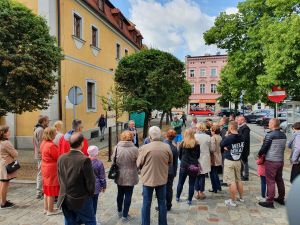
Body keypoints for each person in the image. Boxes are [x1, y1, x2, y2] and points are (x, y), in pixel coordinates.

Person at [57, 133, 96, 225]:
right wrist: (90, 194)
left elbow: (60, 178)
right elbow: (90, 182)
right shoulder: (85, 160)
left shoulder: (61, 158)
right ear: (82, 144)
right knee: (90, 221)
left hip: (65, 197)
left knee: (70, 221)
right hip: (81, 198)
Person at [137, 126, 172, 225]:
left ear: (150, 136)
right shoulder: (167, 147)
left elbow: (138, 164)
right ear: (160, 135)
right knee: (162, 203)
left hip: (148, 180)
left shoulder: (144, 148)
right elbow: (170, 161)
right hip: (162, 179)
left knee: (146, 203)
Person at [258, 118, 287, 208]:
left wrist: (259, 154)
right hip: (280, 161)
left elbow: (265, 147)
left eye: (270, 123)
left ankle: (269, 201)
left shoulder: (270, 135)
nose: (268, 124)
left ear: (273, 124)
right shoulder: (283, 135)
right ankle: (281, 198)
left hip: (271, 161)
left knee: (270, 181)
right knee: (279, 179)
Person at [114, 131, 139, 221]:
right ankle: (125, 215)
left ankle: (119, 211)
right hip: (131, 175)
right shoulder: (135, 149)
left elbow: (114, 160)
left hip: (119, 174)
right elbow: (138, 163)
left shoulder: (117, 148)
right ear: (131, 138)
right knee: (128, 195)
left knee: (120, 193)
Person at [221, 121, 245, 207]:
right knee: (238, 179)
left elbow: (221, 144)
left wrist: (226, 136)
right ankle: (241, 198)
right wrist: (229, 147)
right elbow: (235, 145)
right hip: (238, 161)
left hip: (229, 161)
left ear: (231, 127)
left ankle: (232, 201)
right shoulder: (242, 137)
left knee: (232, 182)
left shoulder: (229, 137)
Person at [176, 129, 200, 205]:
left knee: (180, 182)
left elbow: (179, 156)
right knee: (192, 184)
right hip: (193, 166)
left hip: (184, 165)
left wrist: (183, 160)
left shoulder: (182, 144)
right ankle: (189, 200)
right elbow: (198, 156)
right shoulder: (196, 144)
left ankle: (177, 197)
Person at [40, 127, 61, 216]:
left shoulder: (43, 143)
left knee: (46, 188)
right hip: (51, 168)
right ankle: (50, 210)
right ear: (51, 134)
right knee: (51, 189)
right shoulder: (51, 145)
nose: (56, 135)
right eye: (55, 133)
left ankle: (46, 208)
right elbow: (57, 157)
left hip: (45, 166)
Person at [0, 125, 18, 209]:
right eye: (8, 131)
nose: (9, 132)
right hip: (5, 165)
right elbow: (15, 154)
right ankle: (3, 203)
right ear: (4, 133)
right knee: (5, 183)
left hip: (1, 164)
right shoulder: (6, 143)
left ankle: (2, 200)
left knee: (2, 183)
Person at [87, 145, 106, 219]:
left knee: (87, 203)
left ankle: (87, 218)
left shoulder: (84, 161)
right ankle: (93, 218)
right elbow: (102, 177)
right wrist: (104, 186)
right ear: (97, 153)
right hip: (96, 187)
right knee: (94, 203)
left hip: (86, 187)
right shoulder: (99, 163)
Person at [33, 115, 49, 199]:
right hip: (41, 155)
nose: (48, 122)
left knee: (41, 173)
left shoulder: (38, 128)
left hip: (39, 154)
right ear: (43, 121)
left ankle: (41, 191)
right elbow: (41, 144)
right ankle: (39, 192)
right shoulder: (40, 130)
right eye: (47, 121)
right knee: (41, 173)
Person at [162, 129, 178, 211]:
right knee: (169, 188)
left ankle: (162, 205)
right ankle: (168, 205)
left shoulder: (162, 145)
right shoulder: (174, 148)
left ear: (166, 135)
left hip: (162, 171)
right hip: (170, 171)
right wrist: (174, 172)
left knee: (162, 189)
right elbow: (175, 163)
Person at [194, 123, 211, 200]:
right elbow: (211, 148)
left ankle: (197, 192)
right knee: (202, 175)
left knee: (196, 175)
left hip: (196, 158)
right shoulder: (208, 137)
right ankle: (201, 192)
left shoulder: (194, 136)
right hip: (205, 157)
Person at [209, 125, 222, 193]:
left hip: (214, 157)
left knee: (212, 173)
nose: (210, 131)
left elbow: (212, 149)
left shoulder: (213, 138)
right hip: (219, 156)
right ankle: (218, 186)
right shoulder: (220, 137)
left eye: (211, 130)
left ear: (214, 131)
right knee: (215, 173)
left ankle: (214, 188)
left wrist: (208, 149)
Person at [237, 116, 251, 181]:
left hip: (244, 149)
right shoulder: (242, 127)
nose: (237, 121)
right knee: (242, 162)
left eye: (239, 120)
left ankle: (246, 176)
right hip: (242, 148)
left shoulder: (245, 128)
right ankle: (242, 174)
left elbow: (244, 139)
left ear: (243, 120)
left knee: (245, 162)